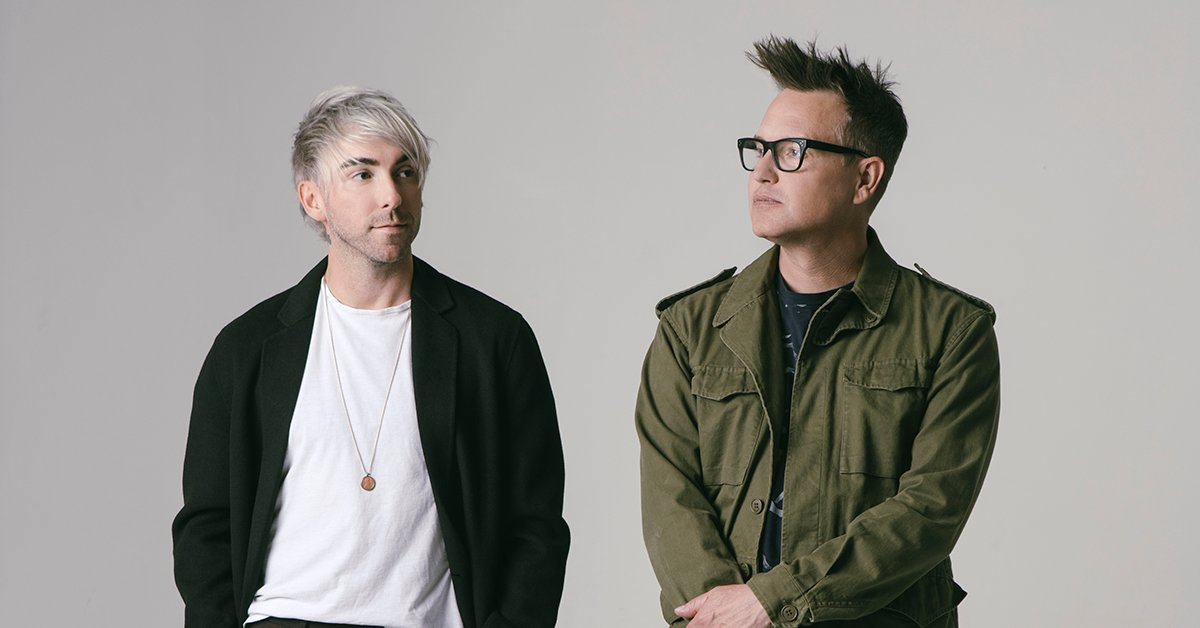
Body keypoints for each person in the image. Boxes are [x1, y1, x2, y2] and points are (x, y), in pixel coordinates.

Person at [172, 87, 570, 628]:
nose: (392, 196)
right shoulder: (247, 349)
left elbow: (536, 524)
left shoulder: (494, 340)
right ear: (312, 199)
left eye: (405, 172)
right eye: (362, 174)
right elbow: (206, 525)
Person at [636, 37, 1000, 627]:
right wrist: (725, 617)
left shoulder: (951, 333)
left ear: (865, 179)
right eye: (758, 149)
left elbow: (929, 512)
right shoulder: (690, 330)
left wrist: (771, 603)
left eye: (791, 152)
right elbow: (670, 498)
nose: (762, 172)